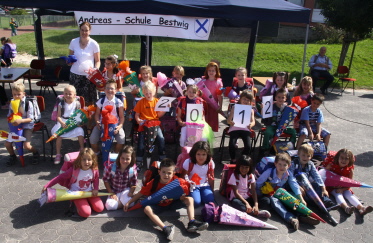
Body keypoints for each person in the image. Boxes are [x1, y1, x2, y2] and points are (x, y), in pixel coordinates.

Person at [124, 158, 209, 241]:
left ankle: (192, 222)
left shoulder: (176, 180)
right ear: (159, 172)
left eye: (169, 173)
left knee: (190, 199)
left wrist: (182, 197)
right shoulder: (154, 182)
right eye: (163, 172)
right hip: (158, 205)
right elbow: (141, 193)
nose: (166, 175)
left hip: (172, 203)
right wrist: (129, 202)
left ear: (173, 173)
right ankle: (165, 228)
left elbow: (182, 194)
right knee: (147, 209)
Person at [42, 148, 104, 218]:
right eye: (84, 159)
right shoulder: (74, 169)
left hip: (89, 191)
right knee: (86, 213)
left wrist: (95, 188)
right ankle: (77, 205)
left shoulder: (94, 169)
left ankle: (85, 202)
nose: (86, 162)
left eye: (89, 159)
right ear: (80, 159)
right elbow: (60, 177)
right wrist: (47, 185)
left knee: (99, 209)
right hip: (76, 193)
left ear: (93, 160)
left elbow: (96, 179)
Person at [256, 153, 310, 230]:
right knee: (275, 201)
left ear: (289, 166)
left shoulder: (288, 174)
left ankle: (300, 213)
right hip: (268, 194)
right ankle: (291, 218)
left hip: (280, 193)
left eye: (285, 165)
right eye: (279, 164)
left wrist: (301, 199)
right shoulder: (269, 172)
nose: (282, 167)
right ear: (275, 164)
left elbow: (294, 185)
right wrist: (257, 198)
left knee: (294, 198)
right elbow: (258, 183)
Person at [322, 149, 373, 216]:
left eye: (346, 159)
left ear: (350, 160)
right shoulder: (331, 165)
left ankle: (362, 208)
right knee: (338, 195)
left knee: (349, 195)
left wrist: (343, 189)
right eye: (342, 158)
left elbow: (350, 183)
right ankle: (346, 208)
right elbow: (323, 175)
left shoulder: (349, 169)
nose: (344, 160)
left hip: (344, 187)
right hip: (332, 187)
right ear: (337, 158)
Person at [289, 144, 337, 209]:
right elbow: (291, 179)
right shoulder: (293, 164)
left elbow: (316, 176)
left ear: (311, 156)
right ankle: (316, 205)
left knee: (317, 186)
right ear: (298, 154)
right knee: (306, 196)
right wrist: (298, 187)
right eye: (303, 155)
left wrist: (323, 189)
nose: (305, 158)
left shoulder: (310, 164)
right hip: (296, 186)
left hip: (307, 184)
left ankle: (327, 202)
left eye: (308, 156)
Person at [5, 83, 40, 166]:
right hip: (16, 127)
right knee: (7, 144)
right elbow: (9, 115)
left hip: (27, 126)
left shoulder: (28, 104)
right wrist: (10, 120)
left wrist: (21, 121)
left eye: (19, 94)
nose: (16, 96)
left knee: (26, 146)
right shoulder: (12, 103)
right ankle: (13, 156)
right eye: (14, 94)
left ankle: (35, 153)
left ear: (23, 94)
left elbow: (31, 118)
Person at [134, 81, 167, 167]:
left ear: (154, 92)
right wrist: (138, 120)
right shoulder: (141, 102)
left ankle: (162, 158)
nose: (148, 95)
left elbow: (159, 115)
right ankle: (139, 160)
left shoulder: (157, 101)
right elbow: (136, 114)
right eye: (146, 93)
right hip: (144, 124)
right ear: (143, 93)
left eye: (150, 93)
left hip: (155, 123)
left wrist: (165, 108)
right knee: (141, 143)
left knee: (161, 139)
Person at [68, 21, 100, 105]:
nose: (84, 32)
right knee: (74, 99)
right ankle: (74, 116)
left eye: (86, 30)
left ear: (89, 31)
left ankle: (88, 116)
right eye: (82, 30)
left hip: (88, 77)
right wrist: (69, 62)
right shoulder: (73, 42)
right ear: (79, 30)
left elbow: (97, 61)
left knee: (88, 100)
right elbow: (70, 57)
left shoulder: (94, 44)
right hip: (75, 75)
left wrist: (95, 70)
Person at [52, 85, 85, 164]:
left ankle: (82, 149)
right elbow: (58, 117)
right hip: (63, 122)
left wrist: (79, 123)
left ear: (74, 95)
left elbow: (79, 115)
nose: (68, 95)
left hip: (73, 122)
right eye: (66, 93)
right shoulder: (61, 104)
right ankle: (58, 153)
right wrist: (62, 123)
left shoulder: (77, 103)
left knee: (80, 132)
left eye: (70, 94)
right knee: (59, 134)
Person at [90, 80, 125, 154]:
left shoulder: (118, 102)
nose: (109, 90)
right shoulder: (101, 101)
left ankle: (115, 152)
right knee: (92, 139)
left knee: (121, 139)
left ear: (115, 91)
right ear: (104, 90)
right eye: (107, 88)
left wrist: (119, 127)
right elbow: (97, 114)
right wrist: (97, 122)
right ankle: (97, 152)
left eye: (112, 88)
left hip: (115, 125)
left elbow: (121, 117)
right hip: (102, 124)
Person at [261, 88, 297, 153]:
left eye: (283, 97)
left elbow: (289, 118)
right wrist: (263, 108)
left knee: (293, 132)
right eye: (279, 97)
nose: (280, 99)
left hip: (282, 126)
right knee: (268, 132)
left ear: (285, 99)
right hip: (272, 126)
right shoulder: (271, 106)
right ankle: (265, 148)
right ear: (275, 98)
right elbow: (263, 116)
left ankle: (291, 146)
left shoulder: (287, 108)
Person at [103, 145, 138, 211]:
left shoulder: (132, 170)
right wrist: (111, 193)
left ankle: (122, 203)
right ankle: (125, 204)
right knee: (109, 206)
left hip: (125, 190)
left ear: (132, 159)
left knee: (131, 202)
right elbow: (106, 180)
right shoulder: (112, 167)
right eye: (122, 158)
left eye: (127, 159)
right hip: (114, 190)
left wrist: (131, 192)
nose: (124, 161)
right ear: (119, 157)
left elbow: (134, 184)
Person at [181, 141, 215, 207]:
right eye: (198, 154)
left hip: (205, 185)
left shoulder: (210, 163)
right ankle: (192, 197)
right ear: (194, 154)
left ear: (207, 154)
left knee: (210, 200)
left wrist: (212, 190)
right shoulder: (188, 162)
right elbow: (183, 177)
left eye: (204, 154)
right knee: (196, 203)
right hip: (192, 186)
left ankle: (201, 195)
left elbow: (211, 177)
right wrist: (183, 193)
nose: (201, 157)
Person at [227, 90, 255, 164]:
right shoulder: (235, 107)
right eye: (244, 99)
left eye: (248, 100)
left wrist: (251, 125)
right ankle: (233, 159)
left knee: (248, 146)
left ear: (250, 101)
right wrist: (230, 122)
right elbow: (228, 120)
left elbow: (253, 121)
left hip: (245, 129)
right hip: (235, 128)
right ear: (240, 99)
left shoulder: (251, 110)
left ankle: (243, 159)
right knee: (232, 144)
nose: (245, 101)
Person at [202, 62, 223, 132]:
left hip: (214, 105)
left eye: (213, 70)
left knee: (212, 122)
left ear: (216, 72)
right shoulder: (203, 81)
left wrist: (220, 105)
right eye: (209, 70)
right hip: (204, 104)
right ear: (207, 71)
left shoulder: (218, 82)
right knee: (204, 121)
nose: (211, 72)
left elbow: (220, 95)